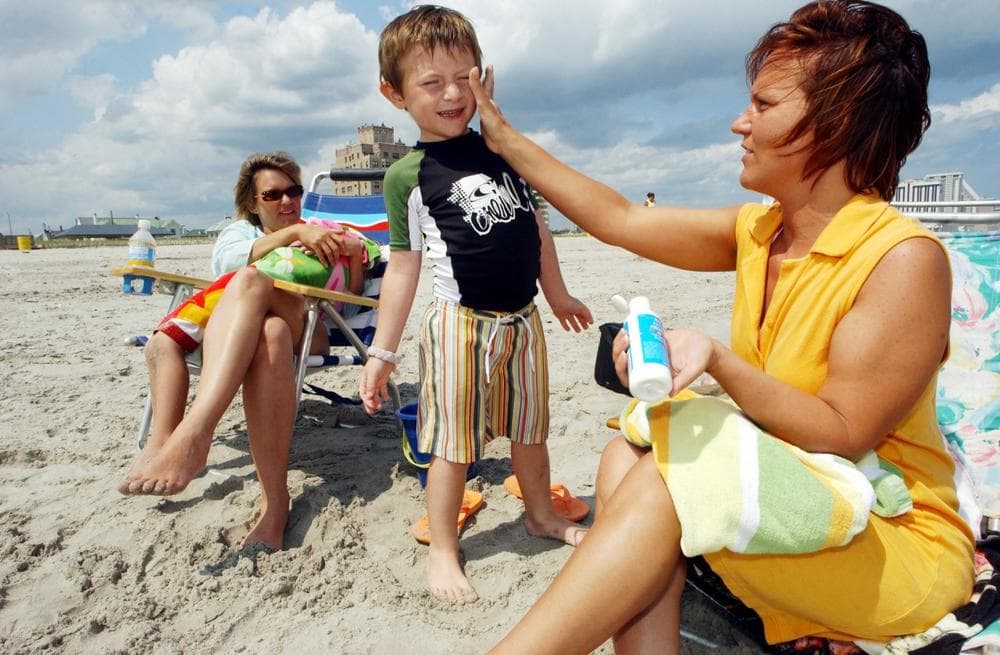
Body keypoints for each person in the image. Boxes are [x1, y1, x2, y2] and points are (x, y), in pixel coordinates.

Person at [469, 1, 977, 653]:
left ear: (838, 121)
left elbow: (846, 433)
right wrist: (505, 139)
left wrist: (716, 359)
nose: (740, 122)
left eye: (763, 105)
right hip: (816, 501)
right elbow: (622, 218)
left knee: (669, 472)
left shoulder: (901, 259)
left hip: (893, 537)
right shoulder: (761, 232)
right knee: (626, 452)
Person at [358, 5, 594, 605]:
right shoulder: (408, 174)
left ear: (483, 78)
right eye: (430, 82)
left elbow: (537, 225)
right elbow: (404, 266)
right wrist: (381, 352)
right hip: (457, 327)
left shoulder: (505, 150)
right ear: (395, 94)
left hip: (523, 320)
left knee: (529, 428)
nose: (451, 94)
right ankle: (443, 547)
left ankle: (539, 514)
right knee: (453, 442)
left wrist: (557, 292)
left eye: (464, 77)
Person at [119, 152, 360, 551]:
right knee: (266, 334)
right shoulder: (240, 235)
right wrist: (289, 237)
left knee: (250, 281)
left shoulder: (322, 231)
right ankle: (264, 499)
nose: (287, 201)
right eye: (273, 194)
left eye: (294, 191)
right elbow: (225, 262)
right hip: (260, 329)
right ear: (252, 204)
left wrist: (344, 251)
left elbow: (349, 295)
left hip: (315, 323)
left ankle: (195, 433)